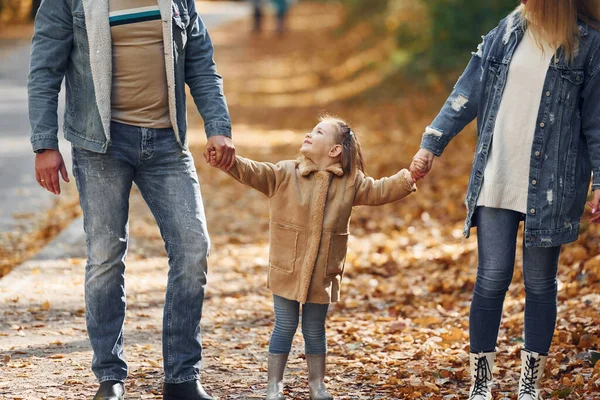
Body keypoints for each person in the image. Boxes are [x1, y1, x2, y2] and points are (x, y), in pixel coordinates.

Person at [28, 1, 235, 399]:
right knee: (106, 256)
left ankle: (182, 378)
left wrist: (218, 126)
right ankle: (110, 376)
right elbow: (44, 70)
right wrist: (43, 144)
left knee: (193, 249)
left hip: (167, 143)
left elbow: (201, 63)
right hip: (100, 144)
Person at [410, 1, 600, 399]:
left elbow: (597, 122)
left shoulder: (588, 46)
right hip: (497, 175)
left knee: (540, 284)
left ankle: (528, 385)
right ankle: (482, 383)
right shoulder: (508, 30)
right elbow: (467, 90)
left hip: (552, 186)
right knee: (492, 278)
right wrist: (432, 144)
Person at [210, 115, 418, 400]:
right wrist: (228, 161)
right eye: (311, 130)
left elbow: (380, 190)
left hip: (323, 272)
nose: (309, 134)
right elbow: (253, 171)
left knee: (314, 328)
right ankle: (274, 386)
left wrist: (409, 177)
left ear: (334, 150)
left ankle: (317, 385)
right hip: (287, 267)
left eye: (319, 132)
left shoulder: (351, 183)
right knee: (284, 324)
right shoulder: (285, 173)